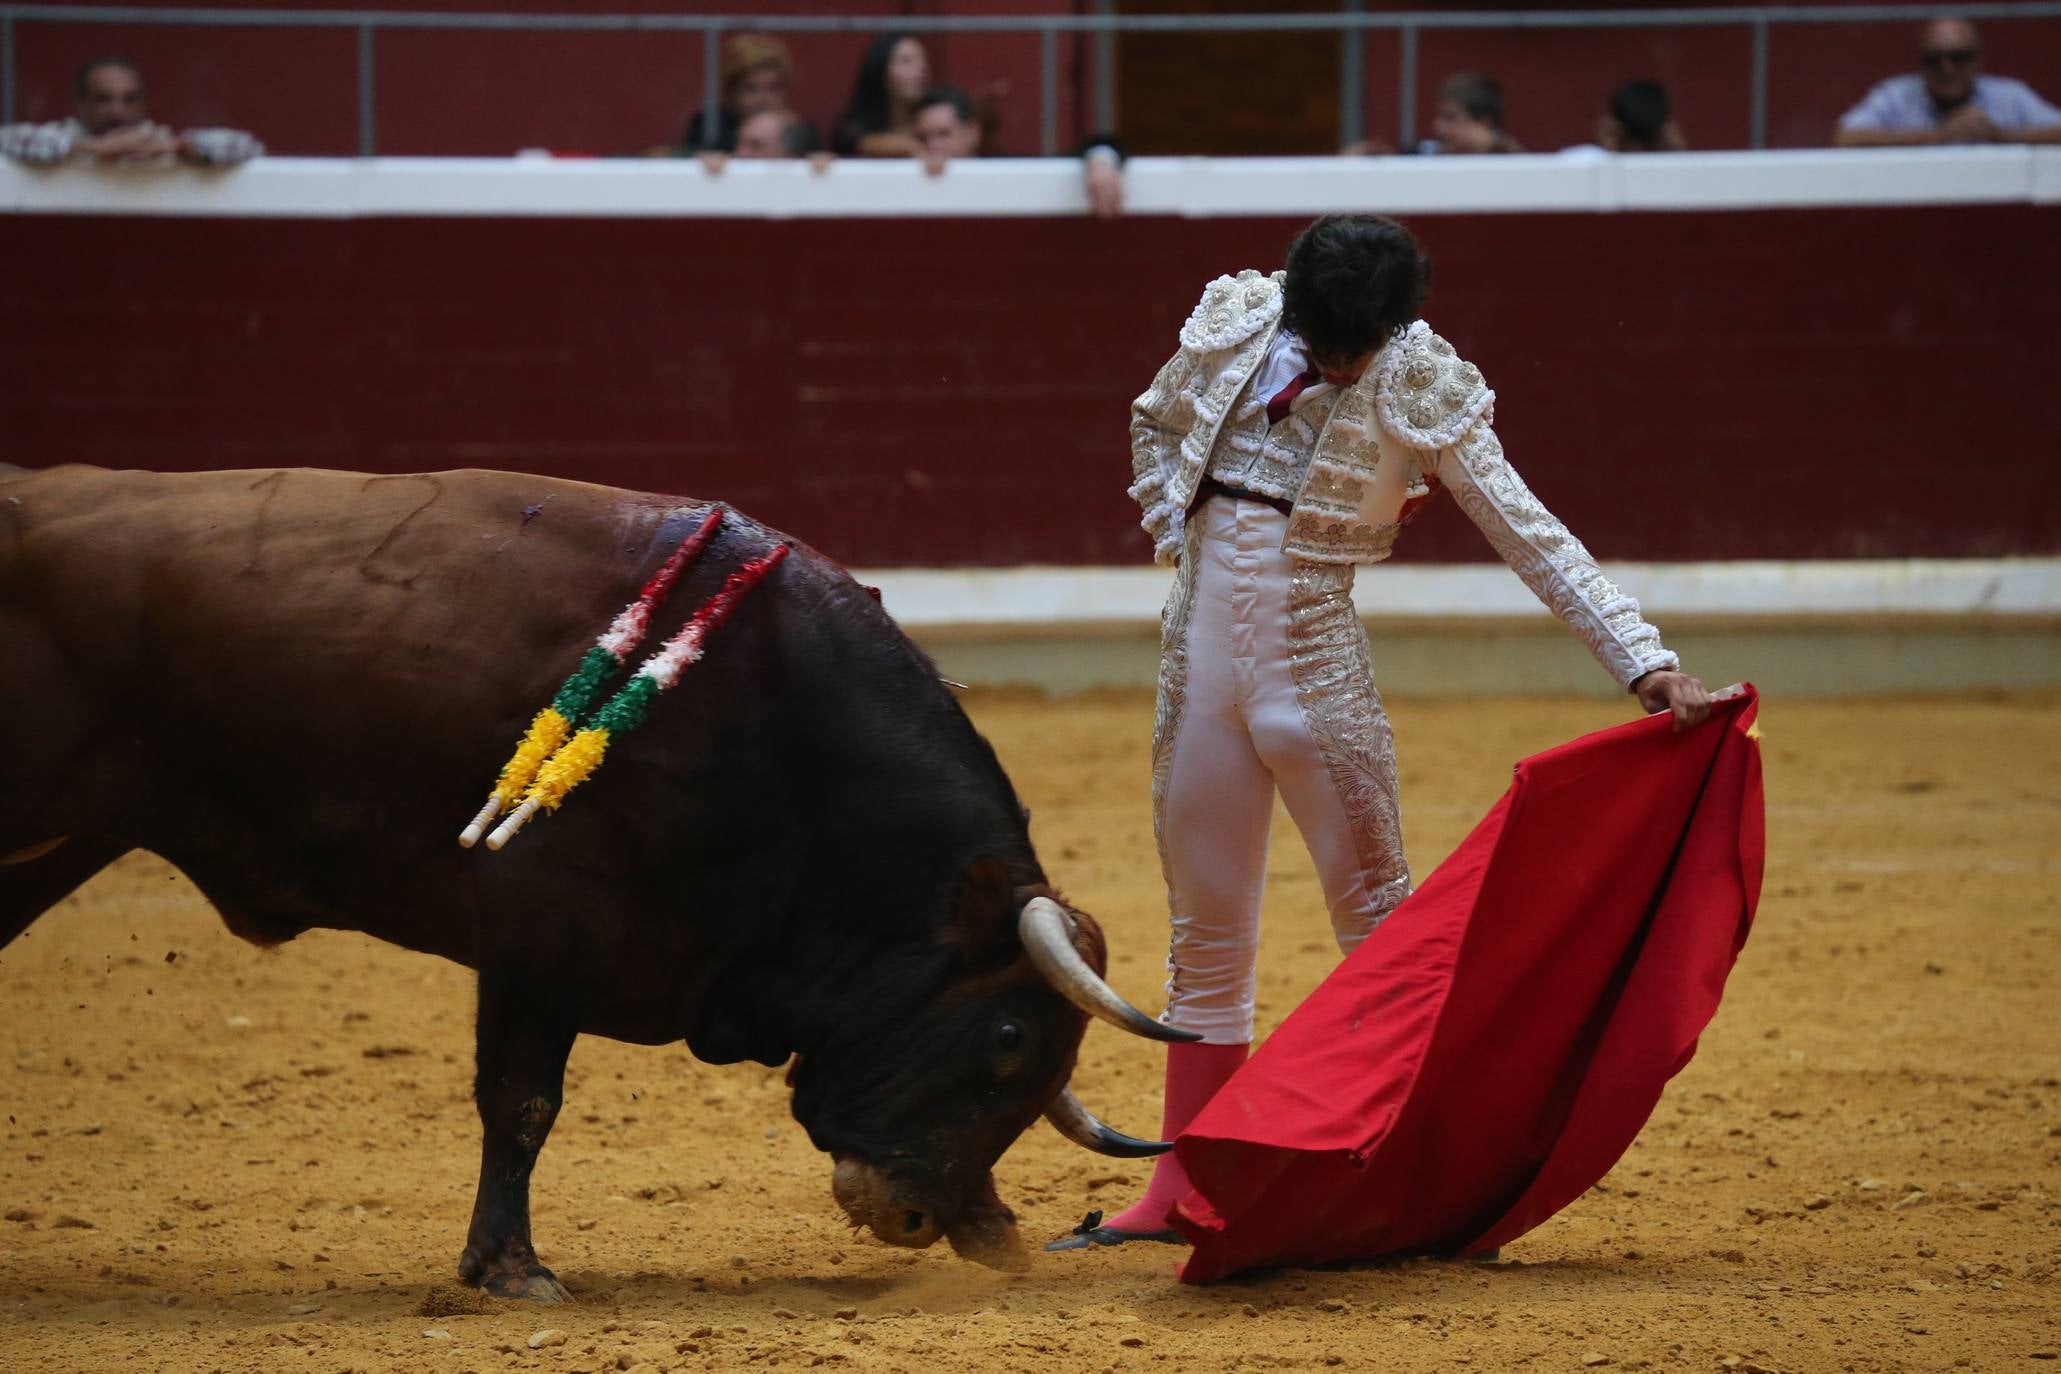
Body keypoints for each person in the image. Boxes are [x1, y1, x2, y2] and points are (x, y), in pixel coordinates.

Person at [1048, 213, 1709, 1252]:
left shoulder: (1422, 377)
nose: (1343, 363)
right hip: (1200, 680)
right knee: (1205, 941)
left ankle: (1409, 1174)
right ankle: (1175, 1190)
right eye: (1327, 344)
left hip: (1318, 687)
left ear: (1400, 325)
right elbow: (1153, 420)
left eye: (1361, 348)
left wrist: (1643, 657)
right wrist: (1176, 521)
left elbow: (1525, 525)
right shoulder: (1239, 322)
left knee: (1384, 936)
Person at [907, 84, 1129, 219]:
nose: (933, 146)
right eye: (923, 138)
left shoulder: (1006, 171)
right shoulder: (906, 176)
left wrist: (1101, 160)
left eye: (943, 134)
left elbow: (1102, 142)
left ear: (973, 132)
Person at [0, 54, 261, 168]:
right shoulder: (63, 137)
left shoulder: (156, 141)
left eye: (129, 100)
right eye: (103, 99)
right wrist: (94, 148)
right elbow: (6, 140)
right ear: (81, 103)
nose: (117, 110)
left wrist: (179, 148)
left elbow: (248, 147)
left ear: (142, 104)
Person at [1835, 17, 2061, 146]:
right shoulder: (1896, 95)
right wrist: (1939, 135)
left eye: (1959, 57)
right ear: (1920, 63)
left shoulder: (2009, 95)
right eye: (1934, 59)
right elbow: (1846, 137)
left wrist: (2001, 136)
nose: (1947, 69)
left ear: (1977, 60)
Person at [680, 33, 822, 156]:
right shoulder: (709, 126)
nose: (763, 98)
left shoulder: (800, 130)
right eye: (750, 89)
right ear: (731, 92)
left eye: (773, 88)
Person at [831, 32, 932, 157]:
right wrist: (909, 147)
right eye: (906, 61)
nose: (921, 68)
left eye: (923, 60)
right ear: (881, 70)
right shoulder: (856, 127)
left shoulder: (936, 115)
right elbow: (855, 142)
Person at [1420, 73, 1523, 154]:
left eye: (1450, 118)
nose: (1438, 126)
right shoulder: (1426, 155)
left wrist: (1496, 147)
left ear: (1484, 123)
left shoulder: (1514, 162)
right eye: (1439, 117)